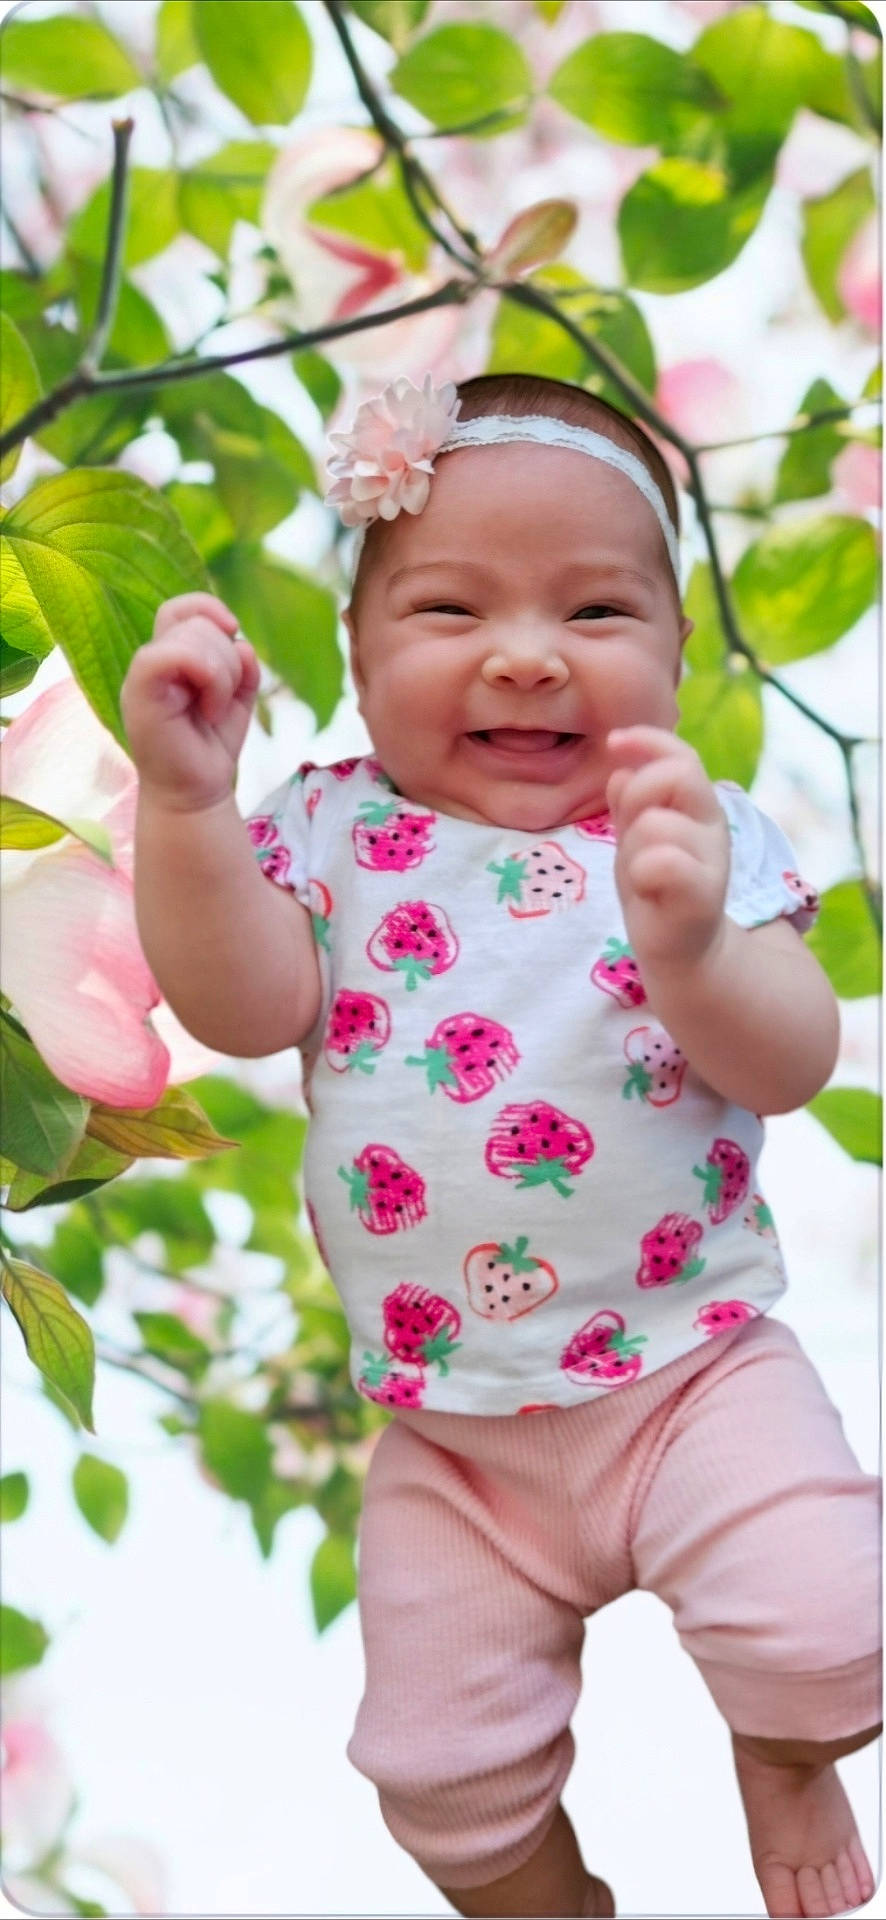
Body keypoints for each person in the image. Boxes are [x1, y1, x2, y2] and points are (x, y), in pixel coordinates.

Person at [122, 371, 881, 1920]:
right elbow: (242, 999)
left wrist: (694, 953)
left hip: (692, 1373)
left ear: (679, 652)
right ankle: (545, 1901)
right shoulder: (328, 833)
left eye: (597, 614)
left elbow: (792, 1059)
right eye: (451, 610)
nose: (528, 657)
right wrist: (187, 806)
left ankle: (785, 1756)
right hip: (451, 1440)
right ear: (352, 655)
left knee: (831, 1628)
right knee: (435, 1776)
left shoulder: (689, 834)